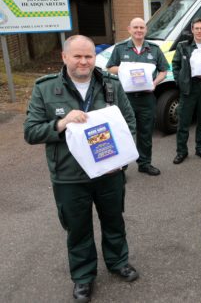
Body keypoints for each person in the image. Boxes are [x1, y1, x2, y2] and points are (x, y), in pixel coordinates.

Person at [23, 35, 140, 302]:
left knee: (113, 220)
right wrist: (62, 123)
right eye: (77, 56)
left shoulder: (110, 85)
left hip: (109, 173)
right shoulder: (45, 88)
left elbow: (129, 121)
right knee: (78, 228)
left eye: (88, 56)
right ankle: (83, 277)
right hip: (69, 176)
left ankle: (118, 261)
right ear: (64, 57)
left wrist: (121, 161)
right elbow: (30, 131)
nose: (84, 61)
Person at [106, 17, 169, 176]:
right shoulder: (120, 48)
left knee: (146, 133)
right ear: (129, 29)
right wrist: (125, 71)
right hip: (126, 99)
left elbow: (164, 71)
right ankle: (122, 168)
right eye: (135, 27)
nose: (139, 30)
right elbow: (110, 67)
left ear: (146, 30)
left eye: (142, 27)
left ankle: (145, 163)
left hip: (147, 98)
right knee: (124, 133)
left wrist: (155, 82)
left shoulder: (154, 49)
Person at [172, 18, 201, 164]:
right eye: (196, 28)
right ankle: (181, 152)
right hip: (188, 90)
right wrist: (180, 82)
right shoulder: (183, 46)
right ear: (192, 30)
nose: (199, 31)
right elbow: (175, 65)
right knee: (183, 123)